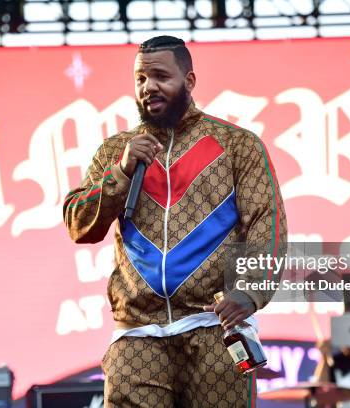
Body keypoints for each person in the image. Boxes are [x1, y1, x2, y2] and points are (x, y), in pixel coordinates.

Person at [63, 35, 287, 407]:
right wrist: (120, 172)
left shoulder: (237, 146)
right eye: (140, 79)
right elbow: (78, 223)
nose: (148, 87)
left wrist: (249, 292)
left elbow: (268, 225)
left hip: (215, 329)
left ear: (190, 81)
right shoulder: (115, 152)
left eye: (160, 77)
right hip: (137, 334)